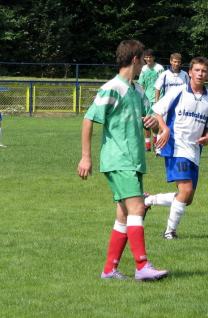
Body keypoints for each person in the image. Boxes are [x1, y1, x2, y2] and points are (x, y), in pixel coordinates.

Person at [77, 40, 169, 281]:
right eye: (142, 60)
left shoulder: (138, 91)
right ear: (136, 59)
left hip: (135, 160)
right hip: (118, 160)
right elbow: (89, 120)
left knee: (124, 215)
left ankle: (109, 269)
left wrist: (151, 122)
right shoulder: (111, 88)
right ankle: (142, 265)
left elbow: (149, 118)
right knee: (138, 207)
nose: (144, 67)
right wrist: (86, 157)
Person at [144, 57, 208, 240]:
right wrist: (165, 128)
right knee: (185, 191)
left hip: (194, 150)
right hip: (176, 146)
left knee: (188, 198)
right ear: (190, 72)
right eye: (197, 70)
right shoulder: (178, 91)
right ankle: (170, 232)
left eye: (204, 71)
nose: (200, 74)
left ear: (207, 74)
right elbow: (157, 111)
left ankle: (147, 200)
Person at [153, 53, 189, 156]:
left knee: (180, 127)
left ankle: (180, 148)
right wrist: (157, 103)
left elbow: (188, 88)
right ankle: (158, 149)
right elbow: (157, 88)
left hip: (180, 105)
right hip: (167, 105)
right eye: (174, 61)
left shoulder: (184, 75)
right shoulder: (164, 74)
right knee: (162, 127)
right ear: (170, 61)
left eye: (178, 62)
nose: (176, 64)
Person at [138, 49, 165, 152]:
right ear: (144, 58)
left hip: (157, 99)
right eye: (146, 57)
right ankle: (148, 145)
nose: (148, 59)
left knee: (155, 122)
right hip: (146, 99)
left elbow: (163, 84)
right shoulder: (143, 69)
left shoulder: (159, 68)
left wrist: (160, 99)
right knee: (145, 122)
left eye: (150, 57)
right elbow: (141, 83)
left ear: (154, 57)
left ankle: (155, 142)